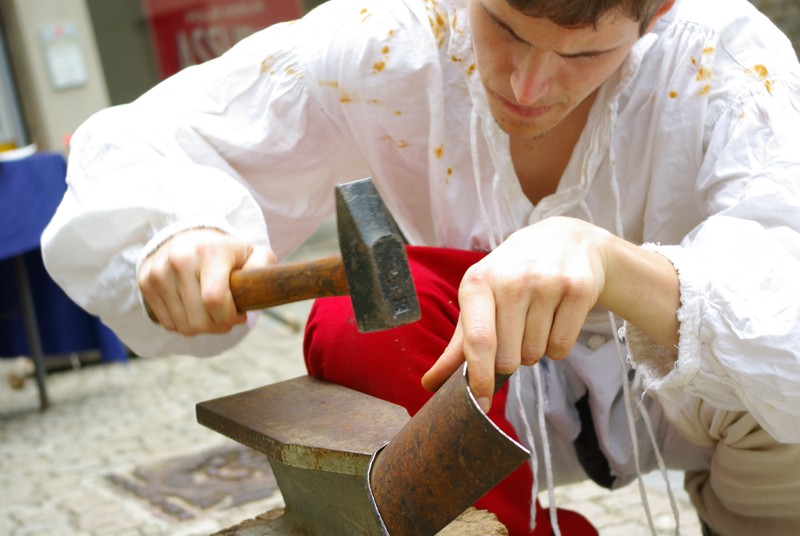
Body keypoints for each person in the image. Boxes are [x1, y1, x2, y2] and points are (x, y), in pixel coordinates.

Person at [41, 0, 800, 533]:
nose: (527, 86)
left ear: (657, 9)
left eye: (583, 55)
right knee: (353, 324)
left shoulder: (724, 60)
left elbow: (786, 293)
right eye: (503, 27)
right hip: (480, 391)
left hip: (696, 405)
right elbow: (154, 139)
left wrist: (611, 264)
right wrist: (182, 229)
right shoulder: (388, 36)